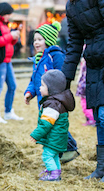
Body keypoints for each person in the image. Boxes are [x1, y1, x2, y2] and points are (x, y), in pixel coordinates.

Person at [24, 21, 80, 164]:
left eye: (39, 40)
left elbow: (60, 77)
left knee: (56, 125)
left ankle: (70, 148)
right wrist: (30, 92)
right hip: (43, 99)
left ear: (48, 40)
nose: (36, 43)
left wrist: (57, 95)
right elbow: (34, 79)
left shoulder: (55, 55)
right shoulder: (38, 59)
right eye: (34, 40)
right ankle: (59, 151)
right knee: (50, 125)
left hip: (55, 100)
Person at [62, 0, 104, 181]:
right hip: (94, 64)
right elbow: (74, 43)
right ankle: (101, 168)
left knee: (103, 115)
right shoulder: (71, 7)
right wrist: (65, 80)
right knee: (98, 117)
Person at [30, 70, 75, 181]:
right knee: (54, 155)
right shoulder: (56, 102)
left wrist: (35, 135)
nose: (40, 88)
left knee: (47, 155)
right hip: (57, 137)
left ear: (52, 88)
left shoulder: (52, 105)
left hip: (54, 138)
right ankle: (56, 173)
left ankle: (53, 175)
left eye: (43, 86)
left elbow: (46, 124)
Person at [76, 57, 95, 126]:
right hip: (85, 85)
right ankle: (90, 119)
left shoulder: (87, 63)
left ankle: (91, 119)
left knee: (85, 104)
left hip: (85, 86)